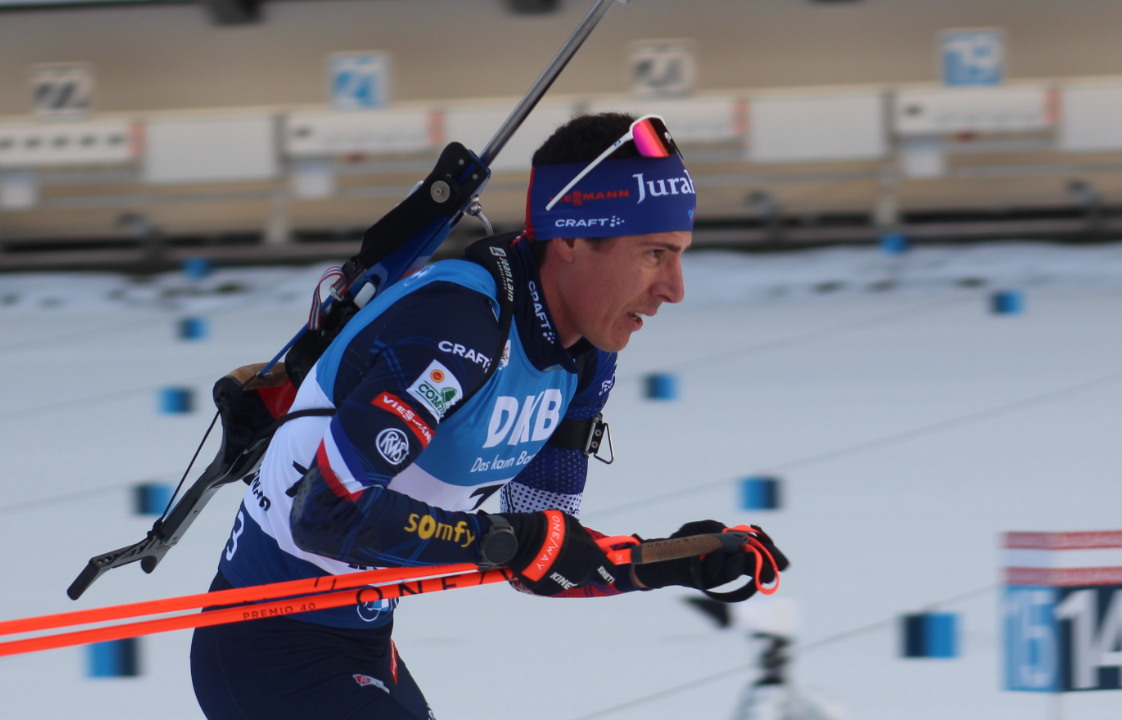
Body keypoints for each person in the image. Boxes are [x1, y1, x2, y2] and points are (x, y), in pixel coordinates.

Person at [190, 113, 789, 720]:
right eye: (654, 254)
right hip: (267, 649)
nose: (675, 288)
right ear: (572, 240)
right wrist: (503, 542)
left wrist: (670, 560)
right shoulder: (459, 326)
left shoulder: (586, 359)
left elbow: (544, 555)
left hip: (364, 646)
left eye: (680, 255)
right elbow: (326, 513)